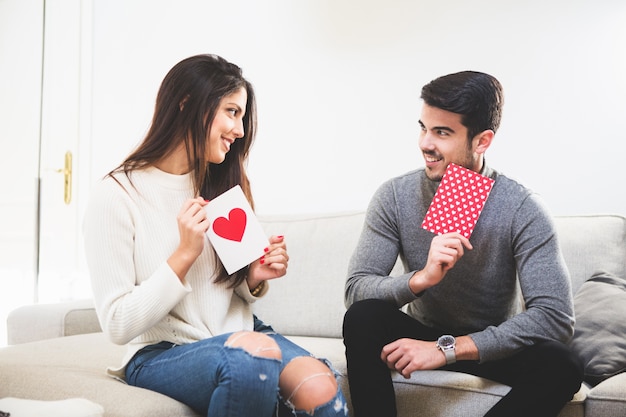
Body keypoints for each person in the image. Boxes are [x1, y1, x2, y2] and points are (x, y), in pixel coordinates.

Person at [83, 54, 347, 417]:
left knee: (321, 388)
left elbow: (224, 292)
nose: (239, 130)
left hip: (245, 334)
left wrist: (253, 277)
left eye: (242, 116)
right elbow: (117, 324)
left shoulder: (221, 184)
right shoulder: (117, 195)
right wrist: (183, 254)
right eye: (231, 112)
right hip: (160, 352)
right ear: (188, 104)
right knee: (248, 358)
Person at [342, 71, 584, 417]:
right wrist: (420, 279)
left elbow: (554, 317)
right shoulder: (395, 196)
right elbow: (356, 290)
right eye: (423, 127)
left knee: (564, 363)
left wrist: (446, 350)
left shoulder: (522, 207)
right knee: (363, 317)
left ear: (482, 141)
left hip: (490, 344)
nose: (426, 143)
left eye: (442, 132)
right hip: (418, 330)